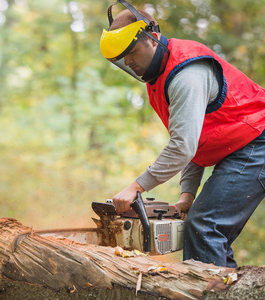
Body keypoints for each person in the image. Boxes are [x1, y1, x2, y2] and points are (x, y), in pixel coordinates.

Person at [99, 0, 265, 268]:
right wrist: (187, 195)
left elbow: (183, 146)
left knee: (205, 226)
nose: (129, 61)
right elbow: (196, 141)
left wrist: (136, 187)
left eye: (131, 51)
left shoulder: (185, 74)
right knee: (206, 230)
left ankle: (207, 291)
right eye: (122, 58)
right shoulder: (159, 80)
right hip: (244, 145)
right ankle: (226, 287)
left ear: (152, 37)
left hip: (258, 141)